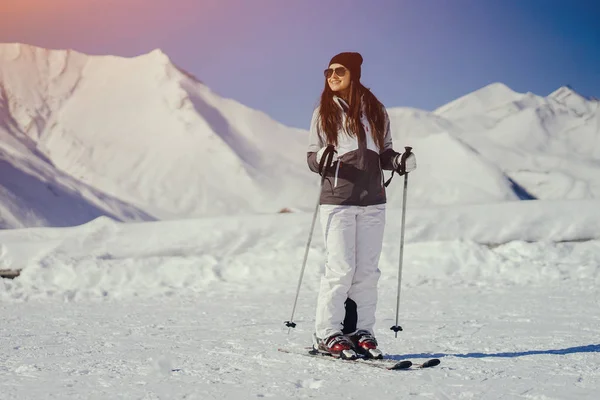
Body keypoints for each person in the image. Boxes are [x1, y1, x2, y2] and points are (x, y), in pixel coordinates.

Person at [306, 51, 417, 360]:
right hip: (338, 199)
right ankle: (327, 332)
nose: (331, 76)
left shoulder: (376, 111)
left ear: (353, 73)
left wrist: (399, 161)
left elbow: (385, 153)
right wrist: (321, 159)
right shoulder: (323, 112)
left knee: (367, 272)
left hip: (373, 200)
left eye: (339, 70)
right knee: (340, 268)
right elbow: (311, 155)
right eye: (328, 71)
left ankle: (360, 331)